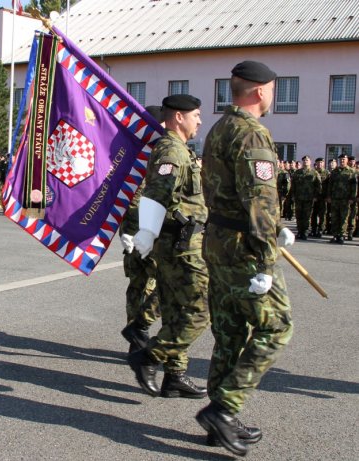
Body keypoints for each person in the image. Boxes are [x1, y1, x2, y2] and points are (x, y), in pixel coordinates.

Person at [198, 61, 295, 456]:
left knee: (230, 332)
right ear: (259, 92)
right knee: (277, 328)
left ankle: (219, 424)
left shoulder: (219, 128)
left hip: (219, 240)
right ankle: (223, 409)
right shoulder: (252, 134)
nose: (272, 96)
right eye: (273, 89)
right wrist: (268, 257)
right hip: (244, 248)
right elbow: (260, 200)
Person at [128, 95, 210, 400]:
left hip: (179, 241)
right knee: (200, 310)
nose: (199, 120)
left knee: (176, 311)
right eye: (196, 115)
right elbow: (157, 191)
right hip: (182, 245)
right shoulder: (172, 149)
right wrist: (146, 231)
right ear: (178, 117)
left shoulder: (180, 149)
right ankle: (149, 356)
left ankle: (175, 376)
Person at [119, 105, 163, 356]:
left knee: (142, 287)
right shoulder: (144, 157)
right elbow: (128, 199)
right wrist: (126, 231)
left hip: (143, 233)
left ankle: (137, 334)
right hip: (144, 235)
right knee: (150, 286)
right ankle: (138, 334)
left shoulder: (147, 155)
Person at [326, 153, 357, 243]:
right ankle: (335, 235)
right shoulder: (334, 172)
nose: (342, 161)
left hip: (345, 199)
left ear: (347, 160)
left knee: (344, 218)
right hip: (335, 198)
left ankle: (342, 235)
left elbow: (354, 187)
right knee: (335, 217)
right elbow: (330, 185)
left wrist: (352, 197)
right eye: (341, 160)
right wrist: (329, 196)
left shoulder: (352, 172)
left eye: (344, 159)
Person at [289, 155, 321, 239]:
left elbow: (318, 185)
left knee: (307, 216)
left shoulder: (314, 173)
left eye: (307, 160)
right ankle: (300, 231)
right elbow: (293, 185)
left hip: (309, 198)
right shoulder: (297, 172)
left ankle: (305, 232)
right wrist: (292, 195)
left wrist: (316, 196)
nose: (305, 162)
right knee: (298, 215)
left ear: (310, 162)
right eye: (304, 160)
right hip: (298, 197)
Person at [310, 157, 329, 237]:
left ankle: (320, 230)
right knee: (313, 214)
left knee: (322, 214)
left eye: (321, 162)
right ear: (316, 164)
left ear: (323, 163)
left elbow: (329, 186)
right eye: (318, 163)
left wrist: (328, 196)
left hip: (323, 197)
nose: (319, 164)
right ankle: (313, 230)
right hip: (314, 197)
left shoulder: (327, 173)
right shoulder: (313, 173)